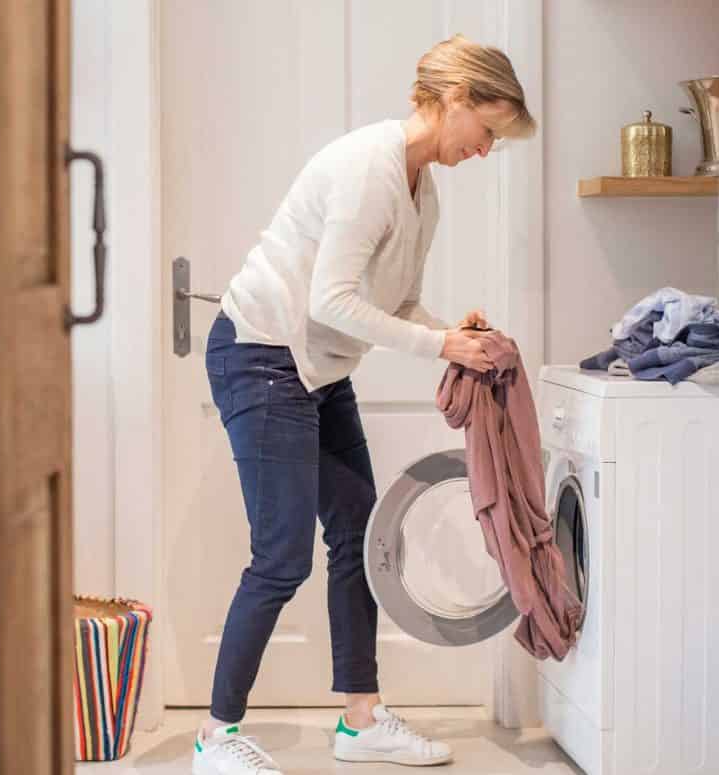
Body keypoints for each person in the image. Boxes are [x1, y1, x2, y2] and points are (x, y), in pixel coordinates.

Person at [191, 35, 535, 775]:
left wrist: (452, 332)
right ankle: (214, 737)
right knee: (281, 555)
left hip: (316, 367)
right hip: (261, 352)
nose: (486, 150)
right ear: (455, 100)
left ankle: (361, 720)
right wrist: (440, 344)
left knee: (362, 534)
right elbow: (331, 301)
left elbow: (395, 302)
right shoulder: (367, 170)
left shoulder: (423, 192)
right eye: (487, 130)